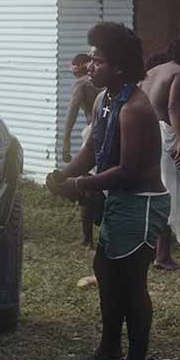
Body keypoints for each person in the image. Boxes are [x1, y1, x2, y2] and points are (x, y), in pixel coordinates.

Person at [46, 22, 169, 360]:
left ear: (117, 68)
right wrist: (64, 174)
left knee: (131, 280)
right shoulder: (103, 99)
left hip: (141, 202)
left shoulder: (135, 109)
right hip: (119, 200)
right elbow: (90, 151)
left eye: (97, 61)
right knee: (105, 269)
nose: (90, 67)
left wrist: (81, 186)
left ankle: (136, 358)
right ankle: (110, 345)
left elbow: (129, 170)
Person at [140, 36, 180, 270]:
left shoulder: (154, 70)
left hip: (142, 130)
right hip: (162, 132)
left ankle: (146, 250)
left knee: (147, 190)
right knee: (169, 192)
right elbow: (173, 108)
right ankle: (163, 256)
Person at [62, 53, 103, 246]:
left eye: (73, 67)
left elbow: (72, 110)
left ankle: (87, 239)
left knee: (86, 184)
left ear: (80, 67)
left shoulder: (82, 83)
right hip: (111, 134)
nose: (71, 71)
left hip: (93, 135)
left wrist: (66, 140)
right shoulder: (107, 79)